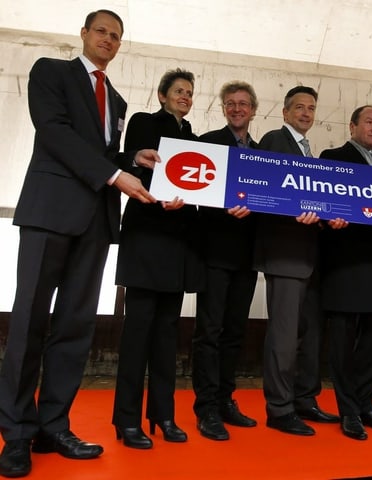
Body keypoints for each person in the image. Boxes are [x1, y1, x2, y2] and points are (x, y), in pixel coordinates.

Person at [0, 9, 158, 478]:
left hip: (96, 224)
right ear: (85, 34)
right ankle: (17, 433)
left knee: (74, 329)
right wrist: (115, 173)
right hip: (50, 215)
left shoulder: (117, 98)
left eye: (116, 36)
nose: (109, 40)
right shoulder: (51, 71)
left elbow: (101, 151)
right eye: (102, 32)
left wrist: (132, 158)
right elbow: (55, 134)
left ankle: (53, 426)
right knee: (29, 323)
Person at [111, 69, 203, 449]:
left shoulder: (195, 140)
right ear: (162, 94)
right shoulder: (144, 122)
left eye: (190, 93)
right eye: (179, 91)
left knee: (168, 336)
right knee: (137, 334)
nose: (185, 97)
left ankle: (163, 414)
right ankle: (127, 420)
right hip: (147, 238)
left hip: (179, 245)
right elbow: (132, 164)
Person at [255, 86, 340, 436]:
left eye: (311, 108)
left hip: (311, 254)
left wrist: (328, 216)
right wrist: (297, 213)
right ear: (286, 113)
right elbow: (270, 193)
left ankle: (305, 399)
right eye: (299, 108)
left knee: (309, 335)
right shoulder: (274, 141)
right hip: (285, 253)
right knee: (284, 336)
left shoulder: (310, 153)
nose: (306, 113)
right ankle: (279, 408)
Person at [318, 105, 372, 440]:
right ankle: (348, 410)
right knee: (343, 342)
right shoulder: (333, 156)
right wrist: (328, 218)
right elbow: (321, 202)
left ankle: (367, 404)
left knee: (371, 341)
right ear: (352, 125)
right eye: (369, 122)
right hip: (346, 262)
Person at [191, 81, 260, 441]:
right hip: (215, 252)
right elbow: (195, 194)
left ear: (253, 110)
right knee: (209, 332)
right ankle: (206, 409)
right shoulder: (207, 143)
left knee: (234, 334)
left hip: (248, 257)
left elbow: (268, 208)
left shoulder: (264, 154)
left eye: (243, 104)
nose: (237, 109)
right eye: (231, 103)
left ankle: (225, 399)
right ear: (223, 108)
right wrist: (222, 205)